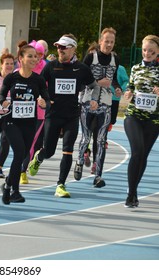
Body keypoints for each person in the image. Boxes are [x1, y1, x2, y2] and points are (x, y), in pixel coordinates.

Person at [28, 34, 100, 198]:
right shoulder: (51, 66)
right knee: (49, 151)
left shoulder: (81, 69)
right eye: (58, 47)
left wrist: (94, 99)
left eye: (64, 47)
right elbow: (38, 84)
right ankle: (39, 158)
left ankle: (60, 184)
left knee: (68, 150)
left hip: (72, 115)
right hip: (53, 114)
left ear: (73, 49)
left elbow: (94, 86)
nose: (59, 50)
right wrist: (41, 98)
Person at [0, 45, 49, 204]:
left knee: (21, 155)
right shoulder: (12, 77)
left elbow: (47, 100)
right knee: (19, 152)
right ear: (21, 59)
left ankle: (8, 184)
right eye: (30, 56)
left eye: (36, 57)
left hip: (29, 123)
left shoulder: (38, 79)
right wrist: (3, 101)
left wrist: (43, 103)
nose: (34, 59)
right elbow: (2, 92)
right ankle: (14, 190)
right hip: (11, 121)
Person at [74, 28, 122, 188]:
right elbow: (80, 78)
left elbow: (113, 79)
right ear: (100, 41)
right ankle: (80, 161)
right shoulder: (90, 57)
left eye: (112, 42)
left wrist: (117, 87)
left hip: (105, 104)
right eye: (106, 41)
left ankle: (98, 176)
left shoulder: (115, 58)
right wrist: (97, 83)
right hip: (88, 102)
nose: (109, 44)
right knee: (86, 138)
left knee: (101, 140)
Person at [123, 35, 159, 208]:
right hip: (134, 116)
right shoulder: (136, 68)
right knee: (137, 152)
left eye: (151, 51)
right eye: (145, 50)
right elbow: (130, 86)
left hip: (153, 119)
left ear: (157, 52)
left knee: (143, 155)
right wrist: (128, 93)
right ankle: (130, 194)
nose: (147, 53)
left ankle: (134, 191)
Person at [20, 40, 47, 184]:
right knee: (19, 143)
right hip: (19, 114)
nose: (36, 58)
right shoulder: (19, 71)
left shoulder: (45, 70)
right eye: (33, 55)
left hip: (38, 114)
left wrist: (46, 101)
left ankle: (22, 171)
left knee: (31, 143)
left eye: (40, 55)